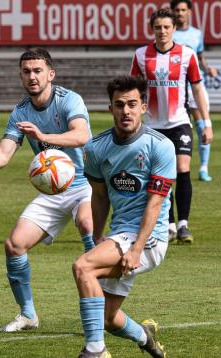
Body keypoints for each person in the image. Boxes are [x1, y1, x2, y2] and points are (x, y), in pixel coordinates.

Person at [0, 48, 94, 332]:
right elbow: (2, 157)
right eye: (26, 71)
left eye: (37, 71)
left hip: (85, 184)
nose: (32, 77)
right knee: (14, 245)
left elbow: (82, 135)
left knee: (87, 226)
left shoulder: (69, 100)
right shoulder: (21, 111)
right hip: (53, 191)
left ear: (50, 74)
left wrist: (43, 137)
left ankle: (103, 308)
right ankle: (28, 315)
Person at [73, 75, 174, 358]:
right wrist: (95, 236)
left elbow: (155, 203)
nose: (125, 111)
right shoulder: (95, 148)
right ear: (110, 109)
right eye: (119, 105)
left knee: (83, 268)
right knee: (108, 318)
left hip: (149, 238)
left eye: (132, 104)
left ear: (144, 107)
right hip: (120, 234)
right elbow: (100, 195)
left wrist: (137, 248)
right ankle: (146, 337)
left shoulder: (161, 146)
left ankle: (95, 350)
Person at [130, 7, 213, 244]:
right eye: (158, 27)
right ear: (152, 29)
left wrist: (206, 123)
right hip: (152, 126)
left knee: (182, 169)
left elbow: (197, 88)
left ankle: (184, 225)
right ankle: (168, 224)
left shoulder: (187, 55)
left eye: (167, 27)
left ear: (174, 28)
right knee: (158, 175)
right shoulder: (141, 55)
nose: (162, 31)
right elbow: (134, 90)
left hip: (179, 122)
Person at [171, 0, 217, 182]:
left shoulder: (197, 34)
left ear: (189, 12)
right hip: (175, 88)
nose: (180, 13)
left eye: (183, 10)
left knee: (201, 126)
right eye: (177, 10)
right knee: (172, 129)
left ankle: (203, 168)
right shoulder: (169, 32)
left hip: (194, 87)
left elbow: (199, 58)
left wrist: (207, 68)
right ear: (172, 12)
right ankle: (172, 166)